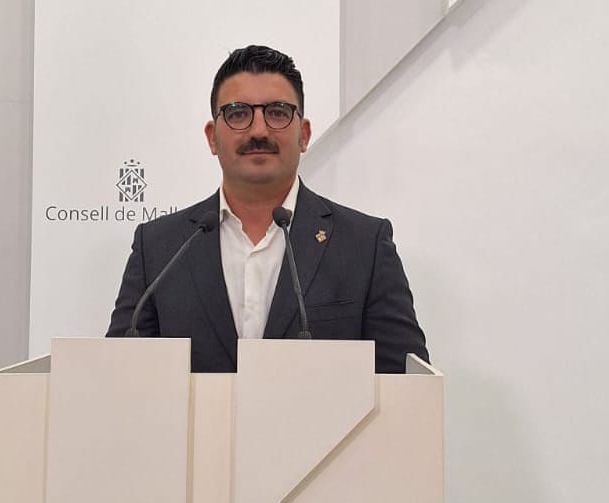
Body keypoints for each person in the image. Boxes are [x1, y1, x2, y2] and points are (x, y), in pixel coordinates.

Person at [107, 44, 428, 373]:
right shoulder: (158, 247)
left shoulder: (364, 245)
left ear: (304, 135)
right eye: (237, 114)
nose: (258, 130)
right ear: (212, 137)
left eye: (277, 112)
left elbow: (405, 382)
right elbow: (120, 376)